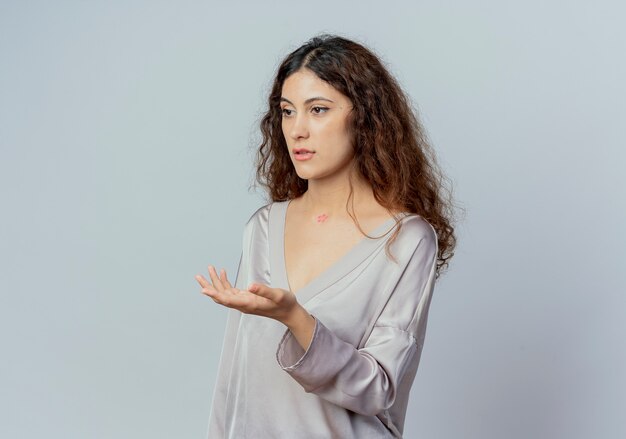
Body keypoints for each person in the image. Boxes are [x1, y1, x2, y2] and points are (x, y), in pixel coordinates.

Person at [194, 34, 457, 439]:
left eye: (318, 110)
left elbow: (376, 389)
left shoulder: (406, 240)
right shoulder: (264, 226)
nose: (297, 130)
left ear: (366, 118)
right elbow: (235, 380)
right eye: (286, 111)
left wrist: (295, 319)